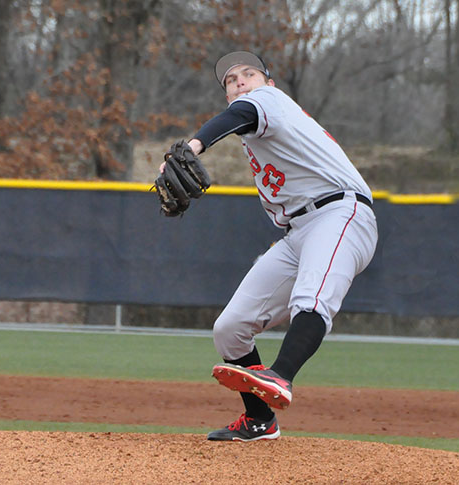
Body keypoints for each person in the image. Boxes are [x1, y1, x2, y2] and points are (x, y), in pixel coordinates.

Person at [163, 51, 378, 442]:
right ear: (227, 93)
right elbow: (237, 117)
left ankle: (281, 375)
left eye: (249, 74)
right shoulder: (256, 127)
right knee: (229, 329)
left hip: (340, 213)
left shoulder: (270, 102)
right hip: (299, 230)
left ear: (269, 83)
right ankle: (260, 421)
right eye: (230, 80)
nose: (240, 81)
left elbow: (234, 116)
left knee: (311, 299)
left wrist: (193, 146)